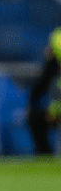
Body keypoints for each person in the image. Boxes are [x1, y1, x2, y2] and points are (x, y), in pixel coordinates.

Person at [28, 26, 61, 154]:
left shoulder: (53, 65)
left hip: (57, 112)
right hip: (56, 111)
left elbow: (40, 87)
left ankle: (44, 153)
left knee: (34, 118)